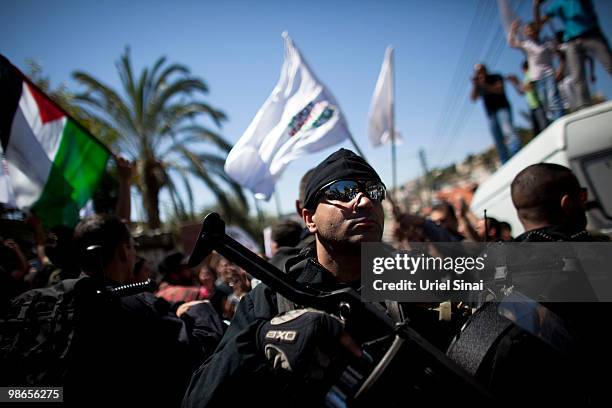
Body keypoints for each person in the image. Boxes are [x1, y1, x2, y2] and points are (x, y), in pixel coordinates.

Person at [182, 149, 387, 407]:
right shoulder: (273, 297)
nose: (365, 201)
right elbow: (198, 399)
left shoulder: (413, 273)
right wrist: (260, 340)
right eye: (343, 191)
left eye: (374, 190)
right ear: (309, 218)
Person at [1, 214, 224, 407]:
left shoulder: (34, 302)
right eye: (132, 246)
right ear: (122, 251)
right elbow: (200, 352)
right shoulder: (135, 306)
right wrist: (200, 311)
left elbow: (11, 395)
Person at [535, 0, 612, 109]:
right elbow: (538, 26)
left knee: (609, 64)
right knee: (577, 77)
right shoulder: (557, 4)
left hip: (592, 34)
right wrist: (536, 6)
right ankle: (584, 106)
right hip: (572, 41)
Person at [508, 20, 565, 121]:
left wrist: (560, 69)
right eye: (527, 31)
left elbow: (561, 55)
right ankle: (554, 122)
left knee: (553, 99)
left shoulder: (547, 43)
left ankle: (560, 120)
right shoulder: (528, 44)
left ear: (536, 31)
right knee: (545, 103)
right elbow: (512, 43)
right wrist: (513, 30)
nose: (528, 33)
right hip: (537, 78)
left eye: (530, 30)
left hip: (549, 74)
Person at [470, 64, 523, 163]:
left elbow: (499, 89)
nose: (480, 73)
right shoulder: (478, 85)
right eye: (477, 72)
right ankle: (505, 161)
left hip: (502, 108)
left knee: (508, 131)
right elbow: (473, 98)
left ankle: (517, 152)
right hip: (491, 114)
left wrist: (484, 84)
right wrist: (475, 85)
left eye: (481, 70)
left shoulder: (495, 77)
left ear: (485, 69)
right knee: (497, 138)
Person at [507, 61, 549, 135]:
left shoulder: (531, 74)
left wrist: (517, 81)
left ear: (524, 68)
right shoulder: (525, 78)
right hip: (532, 106)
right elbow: (522, 92)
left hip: (538, 104)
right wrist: (514, 84)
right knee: (536, 130)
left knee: (544, 126)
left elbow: (529, 87)